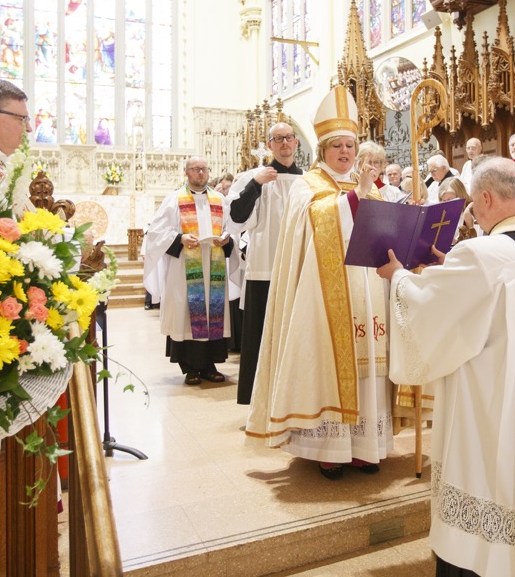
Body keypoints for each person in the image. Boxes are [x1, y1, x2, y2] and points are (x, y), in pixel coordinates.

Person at [378, 157, 515, 577]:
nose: (472, 213)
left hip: (492, 408)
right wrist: (450, 267)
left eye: (473, 204)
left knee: (487, 488)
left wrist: (397, 277)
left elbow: (428, 309)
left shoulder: (483, 253)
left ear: (486, 198)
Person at [246, 85, 392, 480]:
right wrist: (356, 198)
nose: (345, 153)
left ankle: (365, 446)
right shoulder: (307, 185)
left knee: (369, 368)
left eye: (350, 145)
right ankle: (328, 448)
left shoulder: (369, 187)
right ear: (322, 151)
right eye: (336, 146)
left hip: (367, 293)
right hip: (323, 297)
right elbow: (319, 223)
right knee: (328, 365)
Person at [226, 122, 303, 405]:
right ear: (270, 145)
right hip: (264, 270)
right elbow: (235, 219)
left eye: (289, 138)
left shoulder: (307, 180)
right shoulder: (253, 178)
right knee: (260, 337)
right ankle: (258, 400)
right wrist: (255, 185)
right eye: (277, 139)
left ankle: (293, 398)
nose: (284, 143)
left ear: (296, 143)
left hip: (299, 269)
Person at [143, 156, 233, 385]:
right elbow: (156, 232)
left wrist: (226, 239)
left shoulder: (220, 200)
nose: (200, 173)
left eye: (204, 169)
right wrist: (179, 238)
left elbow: (231, 229)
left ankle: (210, 364)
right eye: (195, 169)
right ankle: (190, 368)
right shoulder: (174, 200)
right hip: (185, 267)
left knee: (213, 313)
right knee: (186, 313)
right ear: (187, 173)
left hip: (214, 265)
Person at [437, 177, 477, 243]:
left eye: (450, 200)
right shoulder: (443, 214)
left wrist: (453, 241)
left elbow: (474, 241)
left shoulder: (470, 211)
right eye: (444, 201)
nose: (447, 204)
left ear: (461, 196)